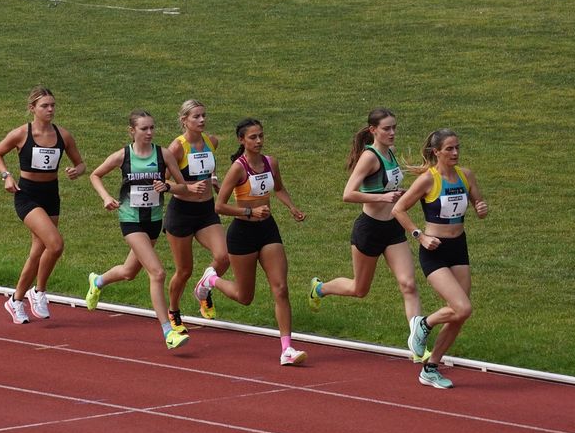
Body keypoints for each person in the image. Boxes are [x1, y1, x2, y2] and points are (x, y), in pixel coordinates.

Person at [193, 118, 308, 365]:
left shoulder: (270, 162)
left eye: (261, 136)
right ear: (241, 140)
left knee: (281, 288)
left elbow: (278, 188)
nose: (258, 141)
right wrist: (249, 213)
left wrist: (291, 207)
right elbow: (219, 206)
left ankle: (287, 348)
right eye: (253, 137)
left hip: (268, 230)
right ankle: (211, 279)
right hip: (242, 233)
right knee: (245, 297)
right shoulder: (238, 168)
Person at [84, 110, 197, 350]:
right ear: (132, 131)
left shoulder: (163, 154)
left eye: (152, 128)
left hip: (153, 220)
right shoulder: (123, 156)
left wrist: (167, 186)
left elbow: (184, 188)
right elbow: (95, 175)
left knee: (129, 271)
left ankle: (98, 281)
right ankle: (168, 331)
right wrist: (106, 197)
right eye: (144, 128)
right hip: (131, 220)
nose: (149, 132)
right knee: (157, 273)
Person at [308, 108, 425, 335]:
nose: (392, 133)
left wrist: (399, 193)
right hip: (369, 229)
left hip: (393, 228)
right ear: (373, 130)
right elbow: (348, 194)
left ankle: (417, 342)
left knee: (409, 285)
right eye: (387, 129)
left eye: (394, 128)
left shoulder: (391, 152)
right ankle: (319, 288)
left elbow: (389, 186)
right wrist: (382, 196)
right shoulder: (369, 157)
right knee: (359, 289)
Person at [392, 128, 488, 389]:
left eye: (457, 147)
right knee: (463, 307)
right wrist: (419, 236)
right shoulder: (427, 180)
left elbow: (479, 206)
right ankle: (423, 323)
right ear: (437, 152)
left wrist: (481, 208)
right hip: (434, 249)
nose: (455, 152)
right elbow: (398, 209)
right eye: (449, 149)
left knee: (459, 315)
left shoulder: (465, 176)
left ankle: (431, 367)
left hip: (459, 247)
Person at [0, 86, 85, 324]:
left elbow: (81, 163)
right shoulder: (22, 133)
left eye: (53, 105)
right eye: (45, 106)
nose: (50, 109)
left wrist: (76, 171)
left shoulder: (63, 135)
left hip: (51, 194)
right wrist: (6, 176)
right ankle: (39, 291)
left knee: (37, 251)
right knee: (55, 244)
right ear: (32, 108)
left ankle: (15, 300)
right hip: (27, 195)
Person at [164, 99, 228, 328]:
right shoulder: (177, 147)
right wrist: (188, 188)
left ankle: (203, 290)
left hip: (206, 211)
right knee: (184, 270)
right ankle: (173, 311)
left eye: (204, 115)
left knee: (224, 257)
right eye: (196, 117)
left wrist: (214, 181)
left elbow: (208, 170)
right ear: (184, 121)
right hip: (181, 213)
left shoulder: (212, 142)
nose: (202, 120)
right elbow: (162, 182)